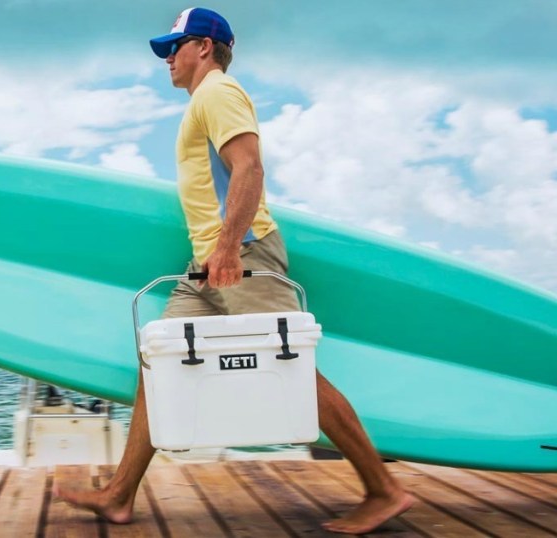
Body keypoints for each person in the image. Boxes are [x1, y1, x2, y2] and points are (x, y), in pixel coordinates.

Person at [54, 7, 415, 534]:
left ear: (204, 47)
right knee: (158, 363)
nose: (167, 60)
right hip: (208, 261)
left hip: (240, 255)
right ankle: (119, 495)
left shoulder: (219, 93)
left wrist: (226, 249)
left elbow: (249, 167)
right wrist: (214, 253)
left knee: (295, 370)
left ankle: (385, 491)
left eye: (174, 48)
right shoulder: (202, 100)